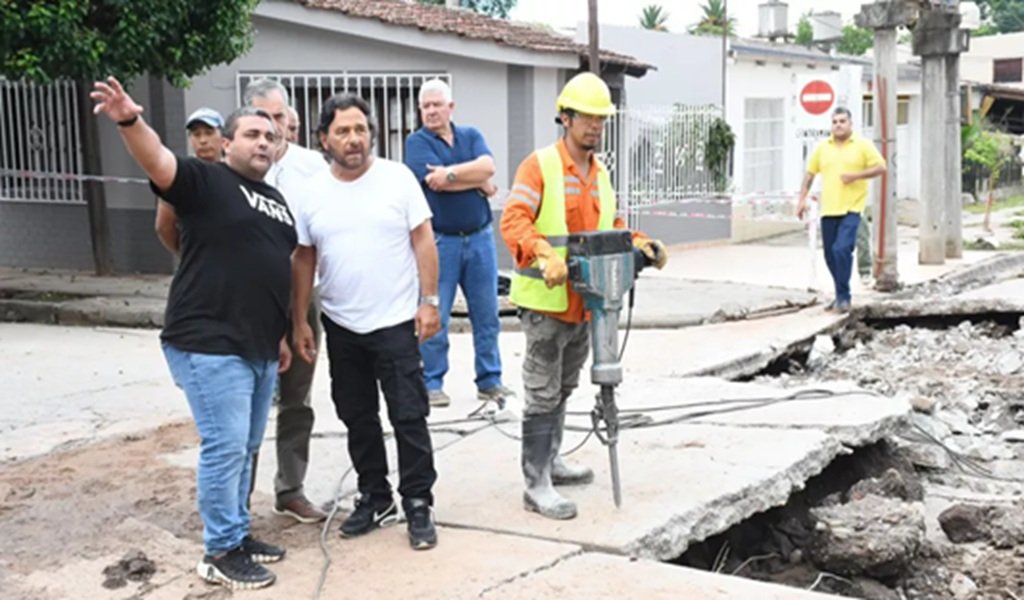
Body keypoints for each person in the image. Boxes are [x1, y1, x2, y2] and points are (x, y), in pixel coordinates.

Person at [91, 77, 294, 590]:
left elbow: (273, 269)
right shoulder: (205, 180)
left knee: (246, 446)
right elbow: (158, 160)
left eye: (270, 137)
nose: (263, 143)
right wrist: (129, 120)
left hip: (260, 346)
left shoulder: (276, 200)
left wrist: (281, 335)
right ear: (227, 143)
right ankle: (219, 551)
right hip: (209, 340)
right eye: (252, 134)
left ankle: (238, 534)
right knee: (225, 445)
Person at [499, 72, 668, 521]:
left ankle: (552, 460)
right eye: (587, 117)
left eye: (601, 119)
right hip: (546, 301)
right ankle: (536, 483)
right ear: (565, 117)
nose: (595, 126)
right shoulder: (540, 165)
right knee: (541, 390)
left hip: (587, 301)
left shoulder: (601, 173)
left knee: (564, 386)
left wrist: (640, 243)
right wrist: (541, 253)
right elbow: (514, 219)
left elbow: (609, 228)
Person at [291, 93, 441, 550]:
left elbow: (424, 240)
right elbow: (304, 257)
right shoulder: (311, 192)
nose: (354, 139)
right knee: (357, 415)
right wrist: (299, 320)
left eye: (360, 129)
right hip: (342, 324)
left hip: (396, 321)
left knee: (409, 415)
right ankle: (375, 497)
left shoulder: (397, 179)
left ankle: (418, 501)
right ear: (324, 139)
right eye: (343, 131)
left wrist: (429, 301)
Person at [244, 78, 329, 524]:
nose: (272, 128)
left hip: (301, 290)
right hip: (249, 294)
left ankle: (291, 488)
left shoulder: (312, 167)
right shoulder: (233, 166)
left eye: (279, 117)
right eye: (263, 118)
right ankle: (237, 498)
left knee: (298, 394)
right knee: (247, 398)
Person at [403, 79, 512, 410]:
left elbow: (488, 167)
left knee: (487, 313)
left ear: (451, 107)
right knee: (435, 314)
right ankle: (432, 382)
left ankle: (490, 380)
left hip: (480, 238)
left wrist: (450, 173)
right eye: (425, 106)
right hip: (441, 242)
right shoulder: (416, 142)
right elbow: (434, 183)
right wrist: (476, 181)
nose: (431, 111)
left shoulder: (471, 135)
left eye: (437, 104)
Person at [797, 107, 886, 312]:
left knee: (842, 249)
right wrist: (801, 200)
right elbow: (810, 174)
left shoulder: (862, 145)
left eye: (842, 121)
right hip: (829, 209)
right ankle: (840, 294)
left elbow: (881, 167)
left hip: (852, 208)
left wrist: (856, 176)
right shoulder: (823, 148)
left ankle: (844, 297)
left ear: (850, 124)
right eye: (835, 122)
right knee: (830, 256)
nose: (838, 125)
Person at [154, 107, 223, 255]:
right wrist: (186, 254)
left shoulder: (237, 170)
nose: (203, 140)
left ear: (223, 136)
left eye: (209, 133)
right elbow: (163, 226)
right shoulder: (182, 174)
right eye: (196, 134)